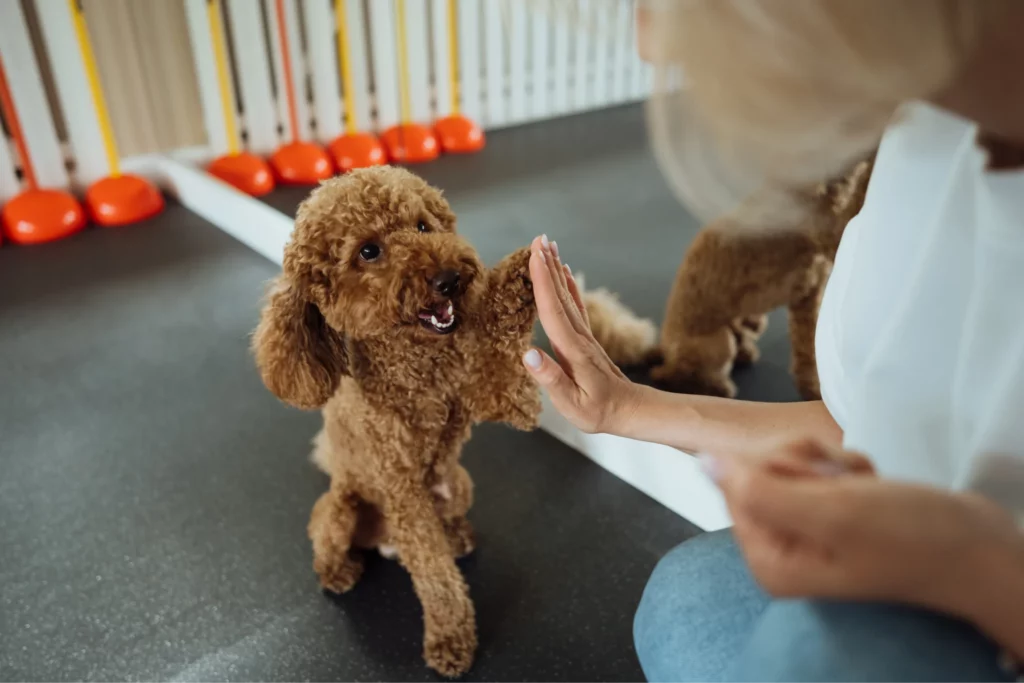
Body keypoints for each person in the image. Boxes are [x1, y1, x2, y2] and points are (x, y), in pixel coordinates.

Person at [523, 1, 1024, 682]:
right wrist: (627, 408)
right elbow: (870, 426)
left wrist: (972, 566)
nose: (649, 43)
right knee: (687, 597)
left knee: (813, 652)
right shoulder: (922, 141)